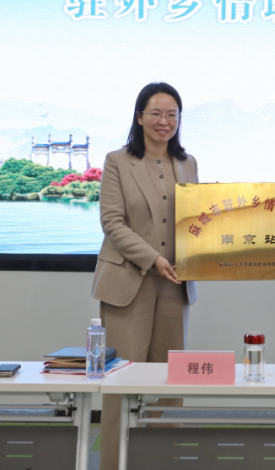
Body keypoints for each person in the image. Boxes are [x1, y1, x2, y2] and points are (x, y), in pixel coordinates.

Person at [92, 82, 198, 470]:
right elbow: (112, 223)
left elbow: (197, 222)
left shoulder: (188, 164)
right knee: (121, 382)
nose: (164, 121)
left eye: (172, 114)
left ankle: (164, 461)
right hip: (127, 284)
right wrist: (153, 259)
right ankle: (113, 464)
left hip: (174, 287)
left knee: (171, 383)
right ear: (139, 117)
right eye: (155, 113)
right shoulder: (117, 161)